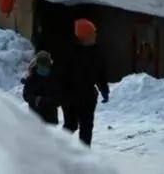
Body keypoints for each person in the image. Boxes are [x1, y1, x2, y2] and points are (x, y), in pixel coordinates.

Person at [59, 18, 109, 146]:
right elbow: (60, 75)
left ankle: (85, 155)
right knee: (71, 125)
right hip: (70, 97)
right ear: (83, 37)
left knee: (86, 127)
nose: (95, 36)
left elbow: (100, 73)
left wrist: (104, 89)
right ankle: (59, 148)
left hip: (87, 96)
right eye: (92, 34)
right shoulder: (69, 53)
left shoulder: (96, 52)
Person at [22, 51, 60, 125]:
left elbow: (59, 98)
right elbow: (26, 95)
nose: (43, 66)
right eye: (41, 63)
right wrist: (35, 99)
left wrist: (45, 100)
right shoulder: (31, 79)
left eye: (45, 63)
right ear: (37, 64)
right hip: (35, 119)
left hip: (51, 119)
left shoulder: (55, 78)